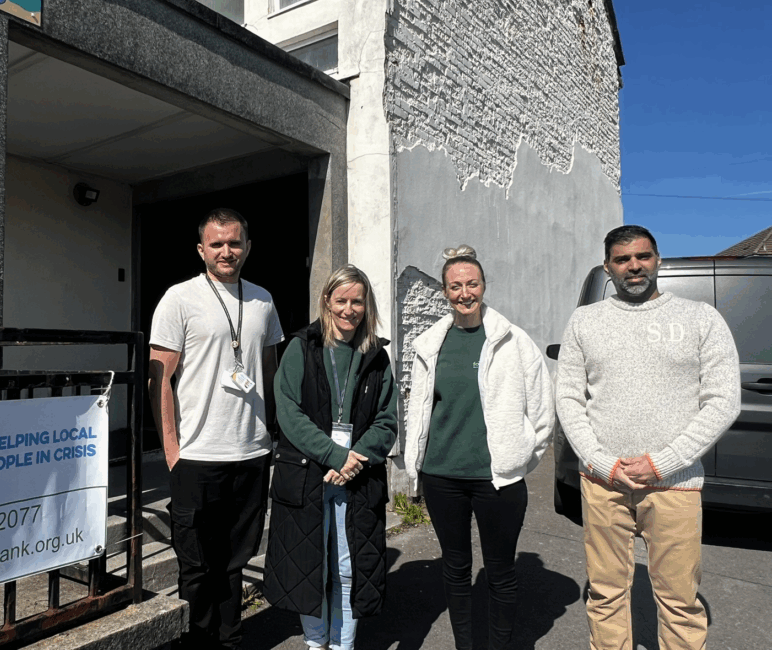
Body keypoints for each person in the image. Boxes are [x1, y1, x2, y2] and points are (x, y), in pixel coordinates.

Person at [556, 225, 741, 650]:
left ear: (658, 260)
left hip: (675, 485)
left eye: (642, 256)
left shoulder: (699, 319)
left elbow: (723, 400)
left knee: (679, 600)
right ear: (608, 268)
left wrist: (663, 461)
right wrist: (603, 462)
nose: (633, 266)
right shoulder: (586, 320)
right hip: (603, 484)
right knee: (605, 596)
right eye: (622, 260)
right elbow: (567, 397)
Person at [404, 245, 554, 650]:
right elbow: (419, 408)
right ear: (444, 291)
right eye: (456, 286)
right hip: (442, 476)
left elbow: (542, 411)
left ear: (484, 286)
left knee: (501, 571)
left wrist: (520, 457)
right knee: (455, 569)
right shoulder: (431, 343)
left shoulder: (513, 341)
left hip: (498, 480)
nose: (464, 293)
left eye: (472, 284)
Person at [147, 208, 284, 650]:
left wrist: (273, 430)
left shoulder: (263, 299)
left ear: (247, 247)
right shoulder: (179, 298)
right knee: (196, 562)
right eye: (217, 243)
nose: (227, 251)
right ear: (201, 249)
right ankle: (196, 640)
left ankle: (231, 638)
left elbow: (270, 368)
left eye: (235, 242)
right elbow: (158, 378)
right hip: (197, 455)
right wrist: (172, 449)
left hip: (251, 453)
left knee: (235, 560)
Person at [263, 265, 398, 650]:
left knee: (347, 566)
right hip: (310, 472)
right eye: (341, 300)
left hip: (358, 474)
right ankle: (315, 642)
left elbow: (387, 420)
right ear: (326, 301)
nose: (349, 309)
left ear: (366, 304)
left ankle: (343, 645)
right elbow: (288, 411)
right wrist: (334, 455)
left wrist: (356, 457)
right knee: (311, 564)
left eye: (357, 301)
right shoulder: (300, 347)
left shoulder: (376, 356)